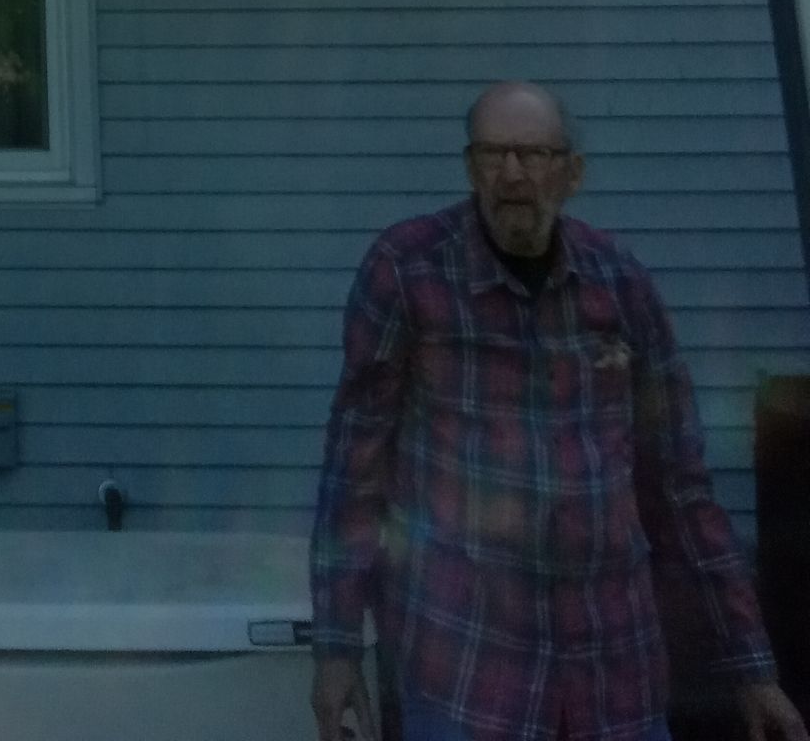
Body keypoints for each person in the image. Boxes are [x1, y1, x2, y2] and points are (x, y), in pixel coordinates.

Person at [310, 80, 804, 741]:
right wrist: (337, 647)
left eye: (533, 155)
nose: (512, 173)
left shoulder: (621, 285)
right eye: (493, 154)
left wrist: (753, 669)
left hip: (613, 674)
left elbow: (681, 488)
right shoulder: (406, 274)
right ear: (469, 168)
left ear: (572, 173)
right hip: (469, 674)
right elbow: (354, 476)